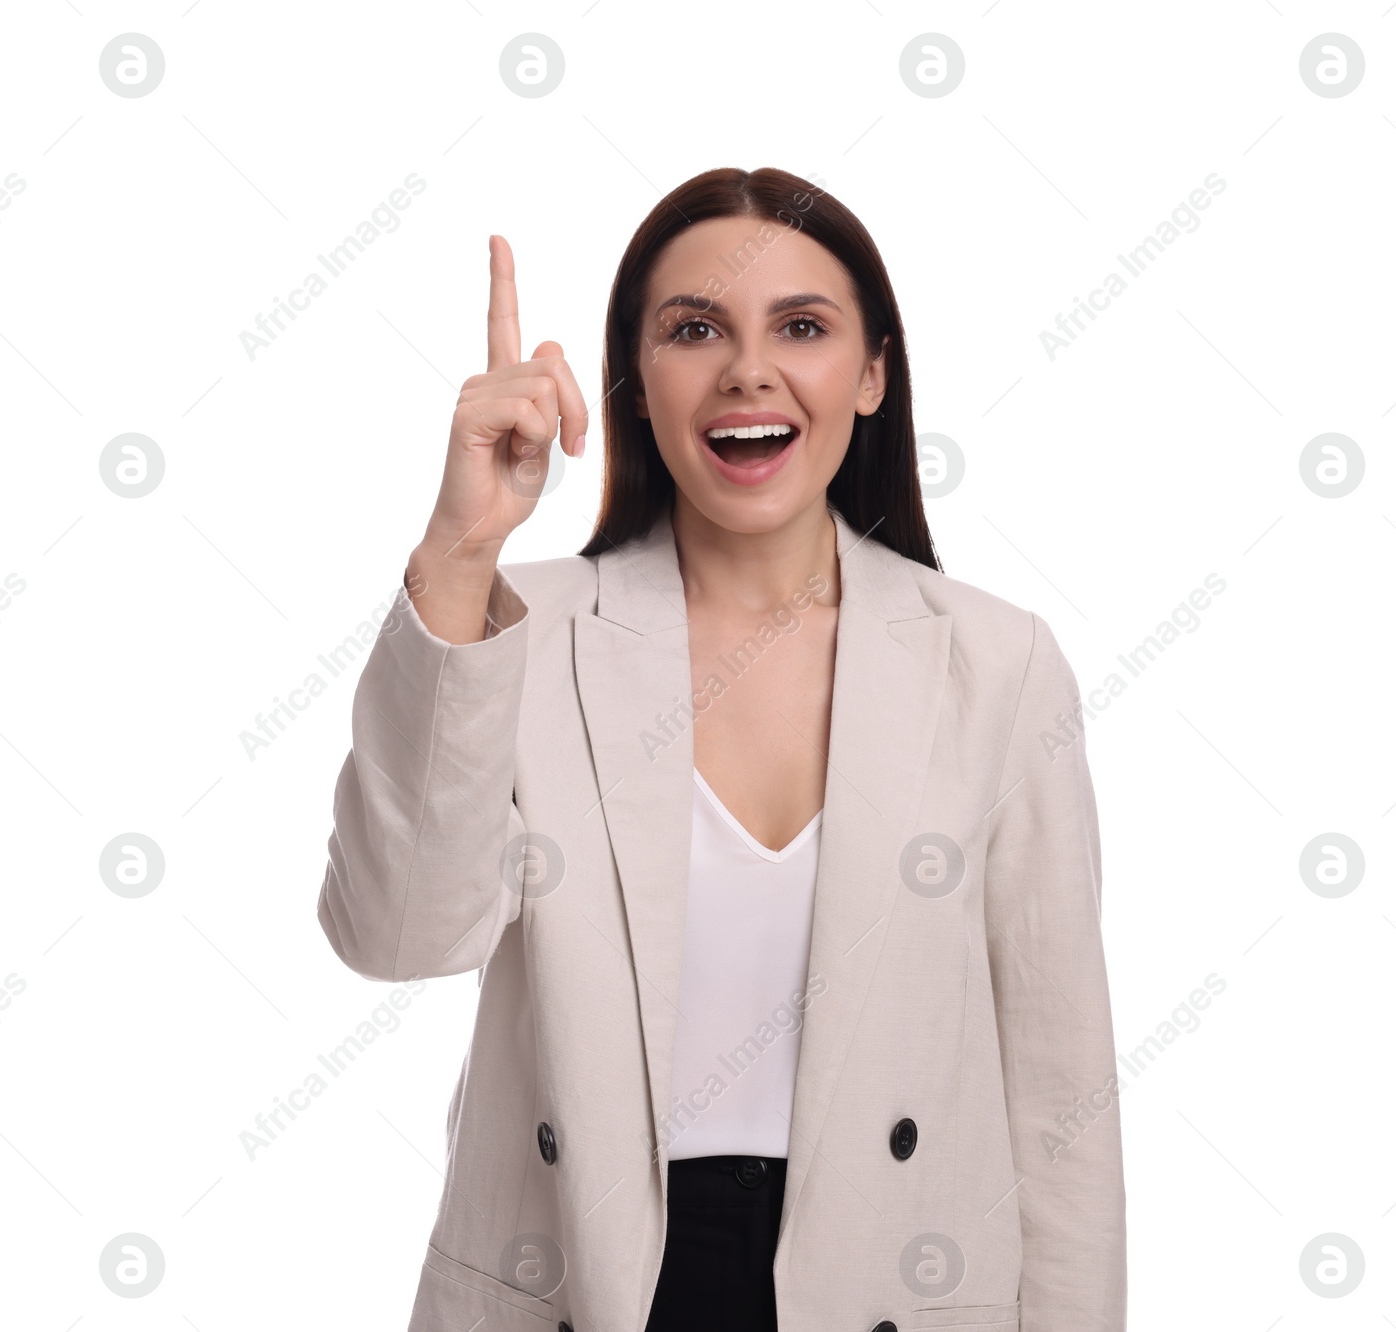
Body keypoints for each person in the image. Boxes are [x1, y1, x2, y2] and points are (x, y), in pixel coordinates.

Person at [318, 166, 1126, 1332]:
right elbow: (395, 935)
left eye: (801, 327)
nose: (747, 369)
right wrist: (461, 550)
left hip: (893, 1284)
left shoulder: (994, 665)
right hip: (586, 1286)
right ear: (636, 386)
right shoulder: (519, 632)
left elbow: (1062, 1097)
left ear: (871, 374)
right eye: (693, 330)